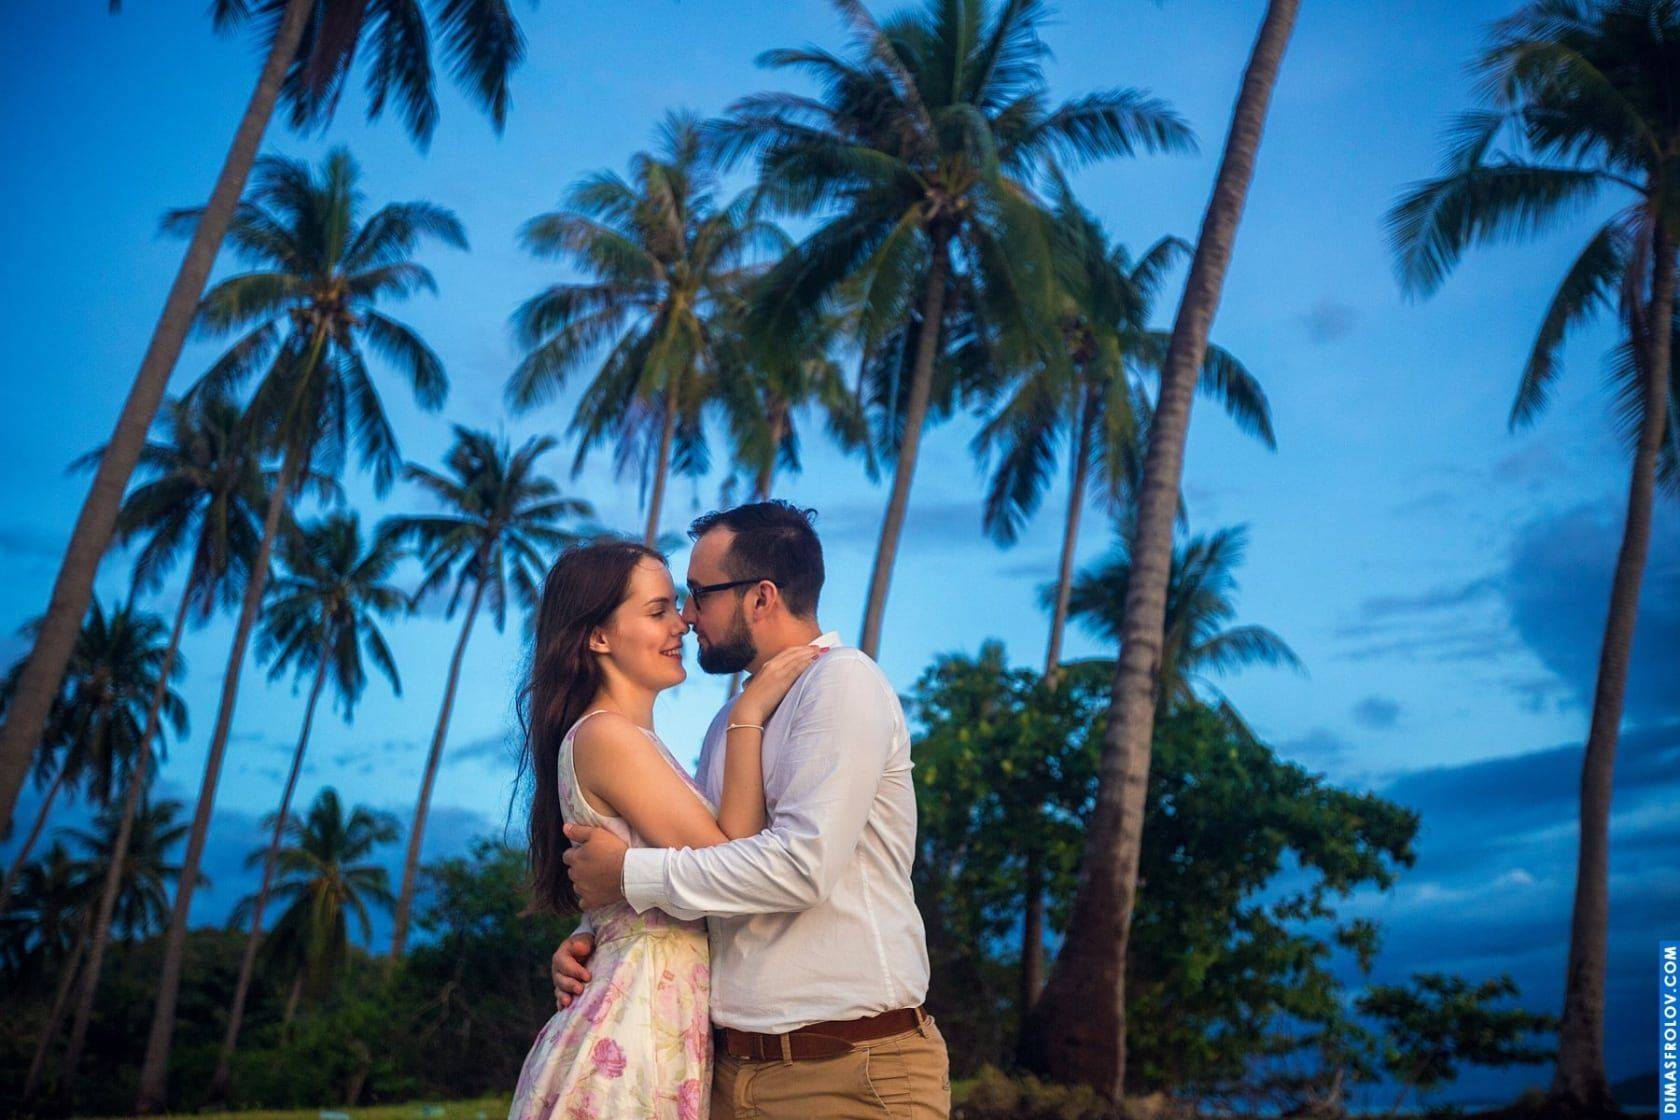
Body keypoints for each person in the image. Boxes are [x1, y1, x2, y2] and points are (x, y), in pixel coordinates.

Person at [554, 501, 951, 1120]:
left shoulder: (841, 684)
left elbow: (800, 868)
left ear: (761, 597)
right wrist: (598, 933)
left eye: (697, 594)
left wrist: (627, 876)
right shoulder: (729, 727)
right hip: (729, 1072)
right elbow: (713, 872)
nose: (687, 616)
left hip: (848, 1067)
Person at [508, 537, 823, 1120]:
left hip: (647, 1025)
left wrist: (593, 930)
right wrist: (749, 713)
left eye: (676, 605)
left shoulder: (629, 741)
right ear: (598, 637)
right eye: (657, 611)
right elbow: (730, 861)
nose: (681, 623)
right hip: (628, 1038)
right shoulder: (607, 736)